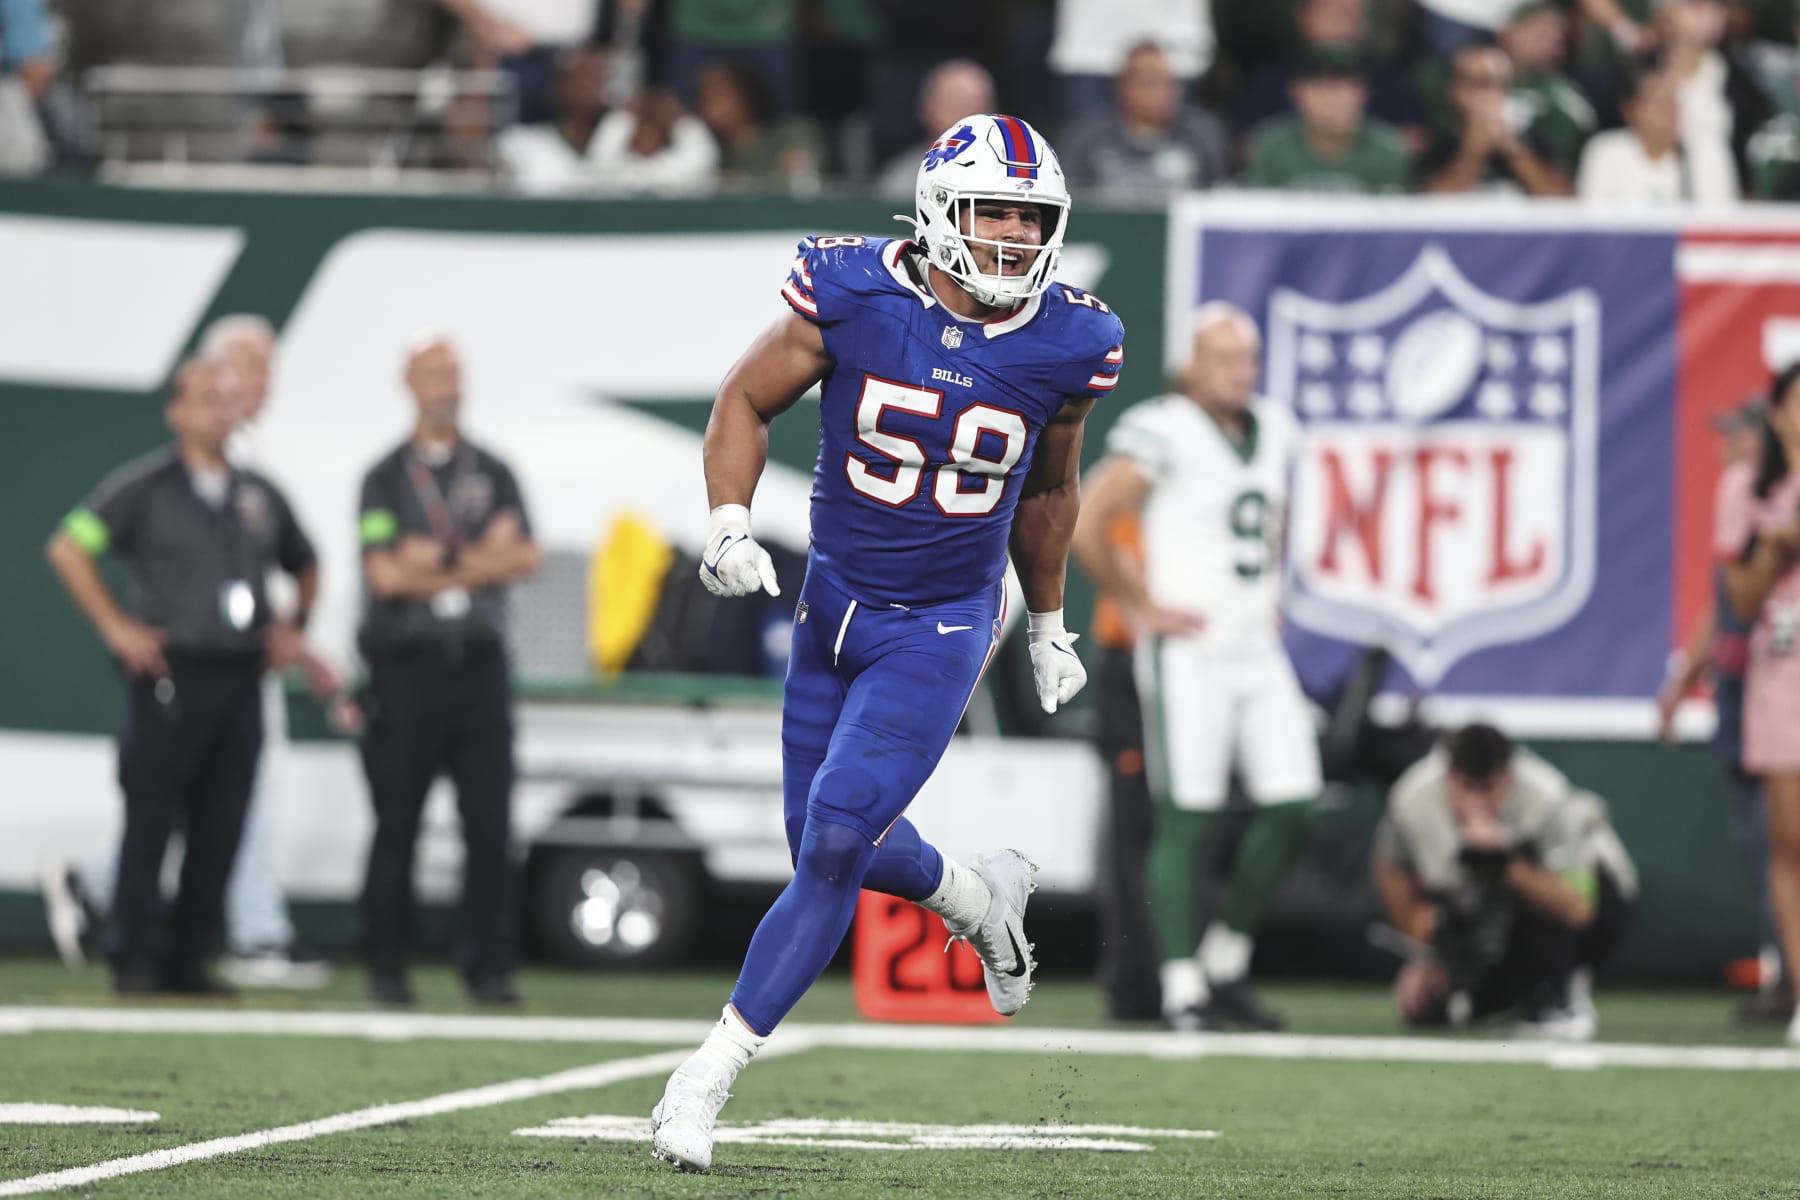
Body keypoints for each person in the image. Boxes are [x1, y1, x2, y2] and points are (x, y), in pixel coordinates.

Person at [648, 111, 1122, 1173]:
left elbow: (1050, 487)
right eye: (992, 211)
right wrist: (725, 517)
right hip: (832, 606)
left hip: (944, 622)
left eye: (1029, 217)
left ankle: (708, 1073)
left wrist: (1046, 622)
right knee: (826, 842)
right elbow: (743, 397)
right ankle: (974, 895)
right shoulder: (854, 288)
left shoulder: (1071, 339)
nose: (1010, 237)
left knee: (830, 840)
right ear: (938, 209)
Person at [41, 316, 337, 989]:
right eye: (206, 399)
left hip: (240, 675)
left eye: (228, 400)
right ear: (177, 411)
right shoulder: (143, 487)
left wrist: (296, 626)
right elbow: (69, 545)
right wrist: (118, 627)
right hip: (173, 673)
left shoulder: (258, 493)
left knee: (223, 821)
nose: (221, 411)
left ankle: (187, 958)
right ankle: (135, 953)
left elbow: (308, 561)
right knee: (153, 818)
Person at [1071, 304, 1321, 1033]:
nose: (1240, 372)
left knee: (1296, 807)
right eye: (1224, 358)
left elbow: (1266, 520)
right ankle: (1181, 988)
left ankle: (1225, 957)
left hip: (1254, 645)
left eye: (1247, 358)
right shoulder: (1164, 427)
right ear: (1191, 364)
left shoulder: (1275, 428)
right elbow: (1089, 518)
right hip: (1188, 650)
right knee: (1186, 816)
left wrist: (1267, 593)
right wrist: (1138, 603)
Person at [355, 335, 542, 1008]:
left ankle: (489, 968)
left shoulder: (492, 469)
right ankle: (386, 966)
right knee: (396, 822)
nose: (447, 386)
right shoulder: (384, 477)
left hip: (480, 668)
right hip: (408, 669)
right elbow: (383, 574)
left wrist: (430, 559)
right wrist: (473, 556)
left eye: (454, 374)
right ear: (410, 382)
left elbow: (524, 557)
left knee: (490, 826)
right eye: (434, 375)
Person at [1372, 724, 1638, 1041]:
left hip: (1593, 909)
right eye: (1465, 788)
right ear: (1448, 777)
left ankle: (1558, 991)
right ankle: (1507, 995)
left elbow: (1578, 908)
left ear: (1507, 778)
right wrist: (1425, 956)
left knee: (1527, 875)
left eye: (1487, 788)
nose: (1476, 803)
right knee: (1430, 1010)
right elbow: (1389, 867)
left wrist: (1506, 865)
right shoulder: (1414, 797)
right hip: (1482, 918)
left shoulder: (1546, 796)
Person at [1657, 395, 1790, 1023]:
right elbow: (1727, 603)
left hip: (1775, 679)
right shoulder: (1750, 497)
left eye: (1739, 434)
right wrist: (1685, 679)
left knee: (1776, 844)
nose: (1728, 447)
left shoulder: (1767, 491)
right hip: (1758, 680)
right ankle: (1787, 971)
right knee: (1765, 842)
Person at [1717, 362, 1800, 1048]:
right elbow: (1740, 600)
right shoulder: (1752, 488)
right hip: (1783, 671)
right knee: (1787, 841)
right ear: (1777, 414)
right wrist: (1779, 546)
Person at [1233, 0, 1424, 151]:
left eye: (1349, 13)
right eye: (1329, 12)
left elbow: (1416, 140)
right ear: (1302, 16)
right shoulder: (1272, 77)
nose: (1340, 21)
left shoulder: (1386, 78)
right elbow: (1246, 145)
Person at [1056, 41, 1233, 202]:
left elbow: (1221, 200)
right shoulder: (1088, 135)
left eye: (1169, 83)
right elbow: (1067, 197)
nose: (1163, 92)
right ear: (1123, 87)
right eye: (1151, 82)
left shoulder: (1203, 134)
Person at [1241, 47, 1412, 194]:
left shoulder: (1387, 150)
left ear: (1363, 93)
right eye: (1320, 86)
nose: (1331, 98)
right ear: (1297, 93)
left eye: (1341, 86)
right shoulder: (1271, 147)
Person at [1417, 43, 1575, 196]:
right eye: (1479, 83)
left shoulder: (1536, 143)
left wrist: (1512, 148)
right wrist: (1472, 151)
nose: (1489, 93)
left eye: (1499, 83)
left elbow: (1561, 203)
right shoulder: (1439, 148)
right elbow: (1435, 206)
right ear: (1455, 91)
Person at [1577, 64, 1739, 204]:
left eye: (1672, 99)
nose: (1669, 109)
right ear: (1630, 110)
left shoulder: (1709, 154)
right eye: (1657, 100)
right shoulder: (1606, 153)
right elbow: (1594, 227)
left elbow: (1721, 228)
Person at [692, 60, 823, 193]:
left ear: (746, 98)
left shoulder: (790, 134)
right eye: (701, 96)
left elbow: (801, 172)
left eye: (717, 95)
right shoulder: (703, 152)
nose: (706, 105)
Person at [875, 59, 996, 197]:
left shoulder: (1015, 176)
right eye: (955, 105)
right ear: (927, 110)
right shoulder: (901, 182)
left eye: (979, 108)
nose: (967, 119)